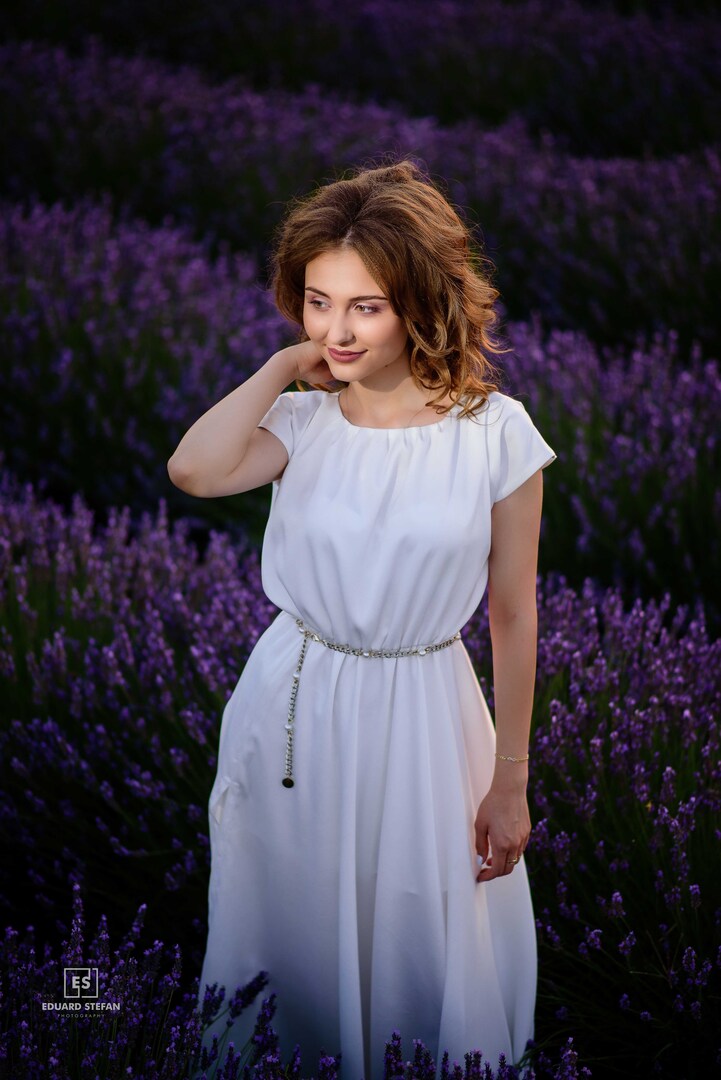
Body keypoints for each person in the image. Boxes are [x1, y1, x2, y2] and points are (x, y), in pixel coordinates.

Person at [168, 160, 556, 1078]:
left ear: (420, 303)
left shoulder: (495, 433)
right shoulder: (301, 426)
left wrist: (510, 780)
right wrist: (278, 368)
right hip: (296, 706)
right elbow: (194, 470)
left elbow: (511, 612)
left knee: (422, 919)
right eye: (315, 301)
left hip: (427, 709)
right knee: (290, 916)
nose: (334, 330)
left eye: (365, 306)